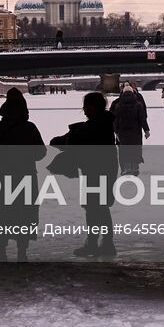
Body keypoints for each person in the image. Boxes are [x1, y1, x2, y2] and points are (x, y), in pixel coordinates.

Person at [50, 91, 118, 258]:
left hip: (95, 172)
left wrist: (65, 138)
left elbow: (73, 141)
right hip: (106, 170)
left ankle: (95, 244)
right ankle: (105, 243)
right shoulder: (104, 123)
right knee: (100, 208)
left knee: (94, 209)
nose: (84, 110)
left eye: (86, 107)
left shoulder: (94, 126)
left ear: (92, 107)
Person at [0, 88, 45, 261]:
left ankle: (1, 249)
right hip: (26, 175)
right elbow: (41, 153)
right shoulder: (30, 128)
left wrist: (5, 157)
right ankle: (22, 250)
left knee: (1, 211)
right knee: (24, 212)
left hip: (2, 175)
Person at [110, 82, 150, 175]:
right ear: (133, 93)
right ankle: (135, 168)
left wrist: (116, 131)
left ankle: (127, 168)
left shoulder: (118, 105)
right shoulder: (138, 105)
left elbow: (115, 120)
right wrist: (146, 130)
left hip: (123, 132)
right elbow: (142, 119)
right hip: (135, 131)